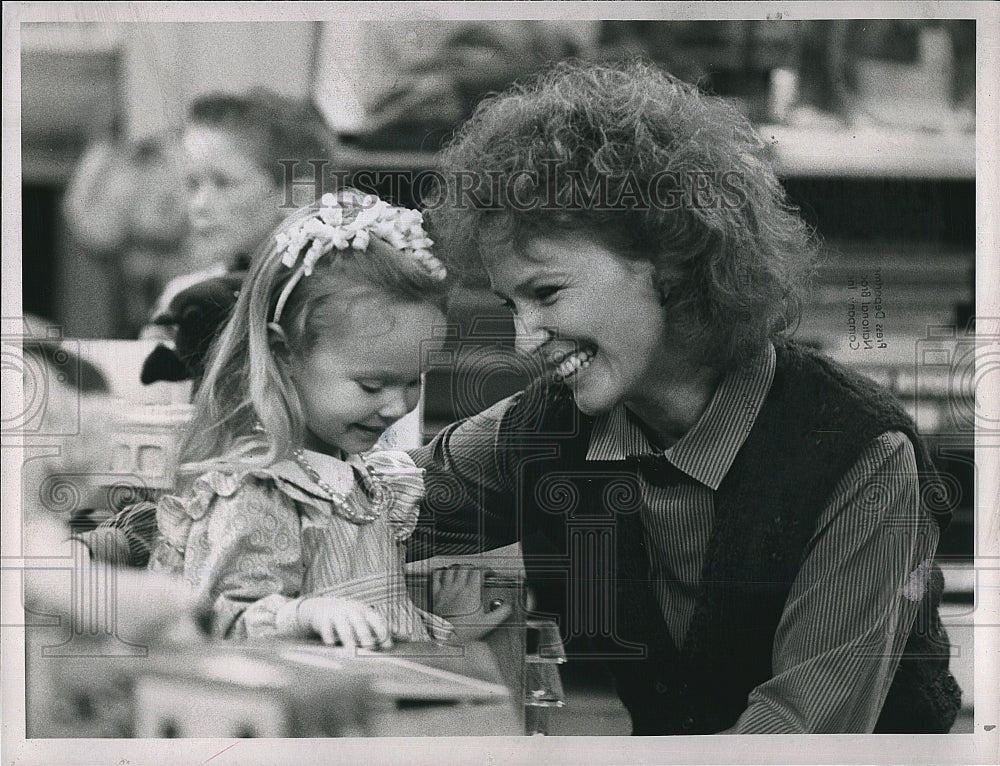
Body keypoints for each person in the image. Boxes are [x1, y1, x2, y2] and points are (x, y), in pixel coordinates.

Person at [406, 60, 961, 733]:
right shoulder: (548, 424)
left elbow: (791, 742)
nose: (524, 340)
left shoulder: (862, 457)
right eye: (509, 301)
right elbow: (380, 504)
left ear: (670, 257)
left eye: (547, 293)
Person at [143, 189, 510, 647]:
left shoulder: (359, 482)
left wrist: (445, 628)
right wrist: (300, 614)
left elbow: (378, 620)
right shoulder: (259, 494)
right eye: (372, 386)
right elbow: (218, 623)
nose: (397, 406)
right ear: (284, 354)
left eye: (414, 381)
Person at [149, 88, 339, 324]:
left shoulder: (329, 302)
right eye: (193, 184)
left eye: (223, 182)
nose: (199, 205)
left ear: (296, 195)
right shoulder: (186, 300)